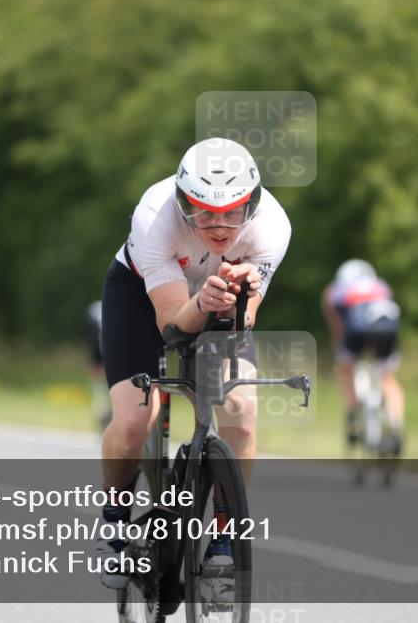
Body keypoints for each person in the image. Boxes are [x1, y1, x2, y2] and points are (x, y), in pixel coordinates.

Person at [98, 137, 291, 589]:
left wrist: (239, 296)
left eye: (233, 211)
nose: (220, 225)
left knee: (241, 412)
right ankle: (114, 523)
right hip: (143, 297)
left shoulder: (272, 227)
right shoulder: (153, 218)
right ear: (183, 203)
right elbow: (171, 325)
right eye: (203, 211)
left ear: (253, 204)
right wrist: (202, 301)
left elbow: (245, 321)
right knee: (134, 419)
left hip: (218, 298)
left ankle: (224, 539)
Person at [322, 260, 405, 455]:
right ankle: (396, 425)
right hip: (386, 332)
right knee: (387, 377)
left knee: (346, 369)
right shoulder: (382, 286)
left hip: (356, 332)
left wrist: (339, 348)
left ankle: (353, 416)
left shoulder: (335, 291)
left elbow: (338, 325)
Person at [85, 300, 111, 429]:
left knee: (102, 391)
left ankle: (103, 413)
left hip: (104, 354)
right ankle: (105, 413)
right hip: (113, 353)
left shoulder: (94, 309)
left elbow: (93, 340)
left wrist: (94, 362)